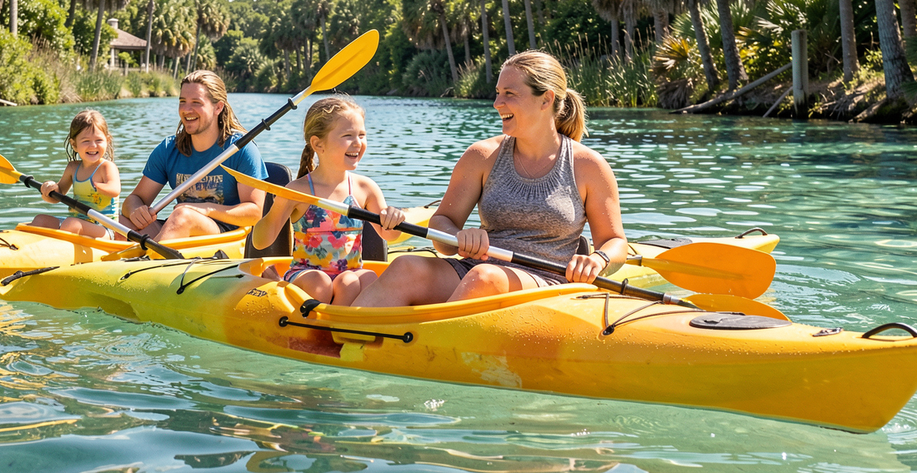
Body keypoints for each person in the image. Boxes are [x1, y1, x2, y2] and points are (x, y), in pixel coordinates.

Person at [351, 51, 625, 307]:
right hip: (476, 271)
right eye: (497, 93)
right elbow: (442, 224)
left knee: (485, 279)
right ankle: (346, 336)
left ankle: (426, 340)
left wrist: (599, 258)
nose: (497, 103)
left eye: (509, 94)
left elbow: (615, 242)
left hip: (547, 283)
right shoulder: (481, 156)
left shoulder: (588, 166)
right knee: (406, 267)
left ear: (546, 99)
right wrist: (458, 237)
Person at [252, 97, 406, 305]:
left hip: (350, 274)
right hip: (307, 275)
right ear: (318, 144)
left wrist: (394, 219)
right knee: (321, 282)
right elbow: (260, 242)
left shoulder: (365, 188)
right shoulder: (299, 190)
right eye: (348, 136)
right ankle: (315, 310)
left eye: (362, 135)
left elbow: (390, 235)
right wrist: (279, 205)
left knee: (364, 278)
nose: (358, 143)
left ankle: (339, 320)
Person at [121, 70, 265, 239]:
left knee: (182, 216)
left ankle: (149, 255)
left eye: (196, 102)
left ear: (218, 107)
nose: (186, 109)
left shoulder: (241, 149)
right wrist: (135, 211)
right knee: (120, 222)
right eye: (182, 101)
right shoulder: (168, 149)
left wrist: (206, 209)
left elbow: (255, 212)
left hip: (224, 235)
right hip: (178, 227)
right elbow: (135, 198)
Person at [29, 109, 121, 238]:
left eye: (99, 140)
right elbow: (58, 194)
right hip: (77, 223)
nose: (93, 145)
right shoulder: (72, 168)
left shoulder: (106, 167)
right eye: (86, 141)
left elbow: (115, 189)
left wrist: (98, 186)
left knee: (71, 224)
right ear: (74, 144)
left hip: (105, 229)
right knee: (40, 220)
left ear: (107, 140)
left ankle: (60, 245)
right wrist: (47, 190)